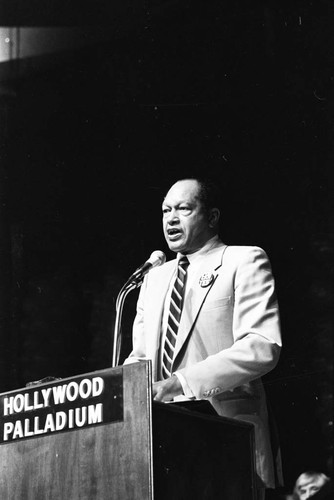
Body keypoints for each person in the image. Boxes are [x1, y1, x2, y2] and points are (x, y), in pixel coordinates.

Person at [124, 178, 283, 498]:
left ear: (212, 217)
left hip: (227, 437)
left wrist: (179, 383)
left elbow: (261, 346)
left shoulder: (244, 260)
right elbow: (138, 359)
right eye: (166, 210)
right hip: (158, 446)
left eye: (184, 209)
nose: (171, 218)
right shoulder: (153, 278)